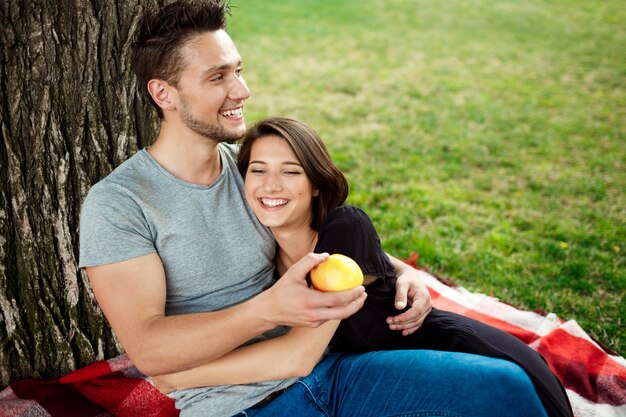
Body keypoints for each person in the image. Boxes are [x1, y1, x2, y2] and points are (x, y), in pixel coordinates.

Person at [79, 1, 552, 416]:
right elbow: (150, 350)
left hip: (334, 366)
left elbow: (322, 236)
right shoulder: (120, 203)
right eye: (218, 77)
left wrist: (396, 272)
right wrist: (268, 310)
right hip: (246, 404)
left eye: (238, 70)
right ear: (164, 94)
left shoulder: (251, 172)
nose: (241, 90)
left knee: (505, 389)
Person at [151, 117, 573, 417]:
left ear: (315, 183)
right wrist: (407, 274)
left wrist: (181, 377)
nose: (271, 186)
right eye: (257, 170)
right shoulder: (265, 247)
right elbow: (381, 262)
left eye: (291, 172)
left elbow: (299, 356)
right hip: (401, 379)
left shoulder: (343, 227)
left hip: (464, 355)